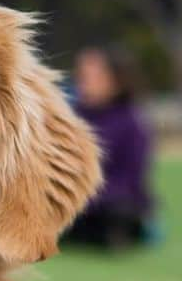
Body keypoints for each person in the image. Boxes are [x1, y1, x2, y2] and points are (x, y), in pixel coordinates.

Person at [64, 45, 156, 250]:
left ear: (115, 80)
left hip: (111, 201)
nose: (84, 81)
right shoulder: (71, 115)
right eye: (82, 75)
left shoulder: (132, 122)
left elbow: (131, 179)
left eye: (93, 75)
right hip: (77, 198)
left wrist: (87, 196)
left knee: (116, 213)